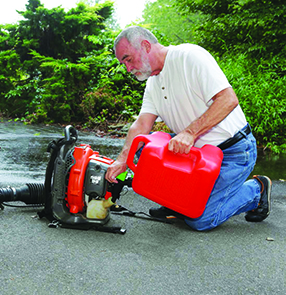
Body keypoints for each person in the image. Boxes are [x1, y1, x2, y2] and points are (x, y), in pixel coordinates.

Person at [105, 26, 271, 231]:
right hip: (195, 155)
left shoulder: (190, 57)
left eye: (128, 59)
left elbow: (228, 99)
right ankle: (179, 203)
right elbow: (141, 125)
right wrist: (122, 159)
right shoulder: (152, 84)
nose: (128, 68)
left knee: (201, 219)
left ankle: (257, 189)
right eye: (124, 63)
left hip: (233, 151)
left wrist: (190, 133)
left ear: (145, 46)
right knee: (140, 148)